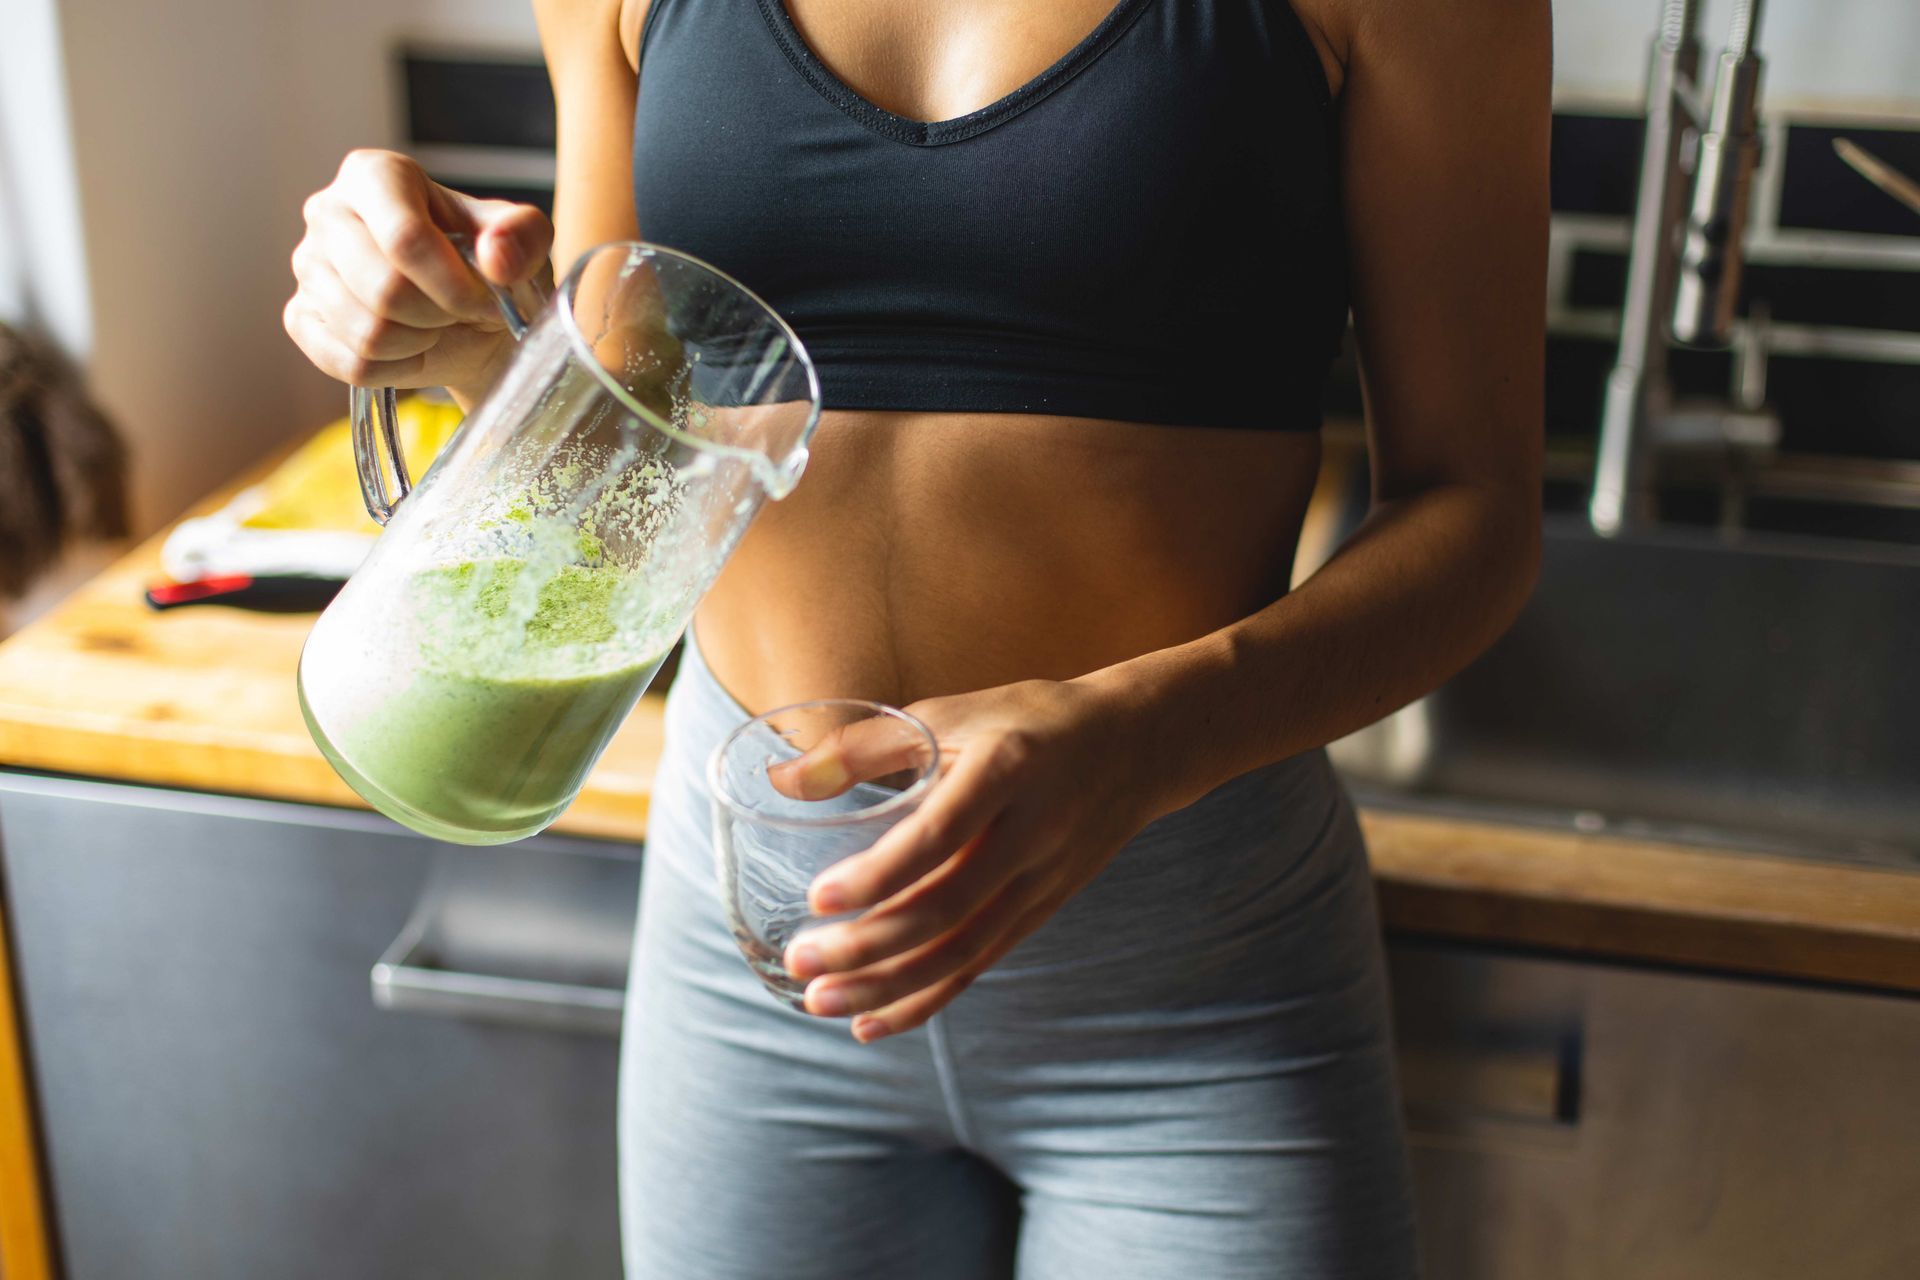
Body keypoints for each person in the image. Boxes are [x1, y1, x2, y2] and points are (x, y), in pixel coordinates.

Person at [286, 0, 1548, 1273]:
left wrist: (1143, 741)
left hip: (1188, 989)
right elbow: (631, 469)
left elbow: (1476, 516)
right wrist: (451, 344)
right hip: (755, 956)